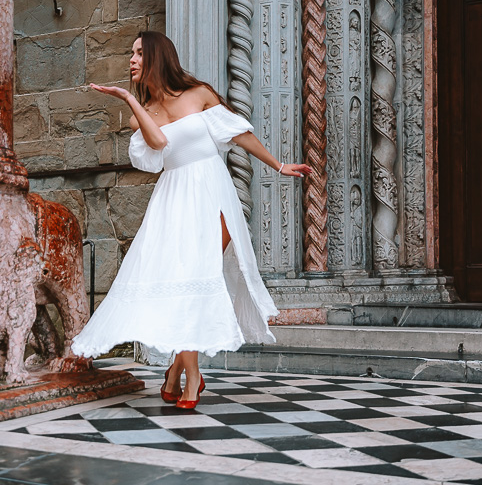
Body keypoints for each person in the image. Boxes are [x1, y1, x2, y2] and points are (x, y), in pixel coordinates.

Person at [71, 31, 311, 409]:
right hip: (174, 202)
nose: (131, 59)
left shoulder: (199, 93)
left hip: (213, 195)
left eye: (138, 53)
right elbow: (159, 146)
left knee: (202, 277)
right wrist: (131, 100)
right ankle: (185, 374)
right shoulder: (143, 117)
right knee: (187, 285)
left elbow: (239, 132)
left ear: (156, 56)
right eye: (130, 53)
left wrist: (278, 166)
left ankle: (183, 373)